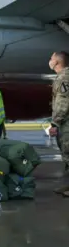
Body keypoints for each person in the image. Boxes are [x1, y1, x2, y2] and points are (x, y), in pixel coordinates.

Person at [48, 51, 69, 196]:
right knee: (66, 155)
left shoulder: (64, 77)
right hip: (65, 123)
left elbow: (63, 102)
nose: (49, 60)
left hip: (66, 123)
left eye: (51, 58)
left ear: (57, 62)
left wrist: (55, 123)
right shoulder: (61, 77)